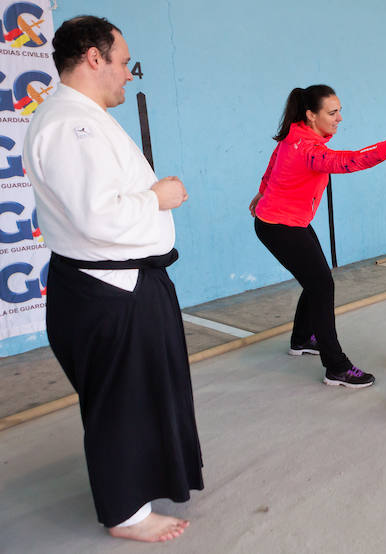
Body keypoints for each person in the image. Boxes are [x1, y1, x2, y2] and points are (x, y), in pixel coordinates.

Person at [22, 16, 202, 542]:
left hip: (125, 286)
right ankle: (125, 515)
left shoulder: (83, 117)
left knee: (143, 395)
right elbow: (96, 216)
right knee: (120, 403)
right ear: (93, 58)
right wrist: (158, 197)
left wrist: (152, 194)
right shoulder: (68, 124)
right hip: (108, 292)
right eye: (123, 62)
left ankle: (149, 484)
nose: (129, 73)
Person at [249, 86, 386, 388]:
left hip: (286, 220)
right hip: (280, 225)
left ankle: (302, 338)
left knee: (317, 279)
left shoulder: (296, 134)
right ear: (311, 116)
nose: (340, 118)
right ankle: (335, 366)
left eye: (339, 110)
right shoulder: (309, 149)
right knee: (321, 284)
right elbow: (348, 161)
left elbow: (273, 162)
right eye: (332, 112)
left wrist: (262, 191)